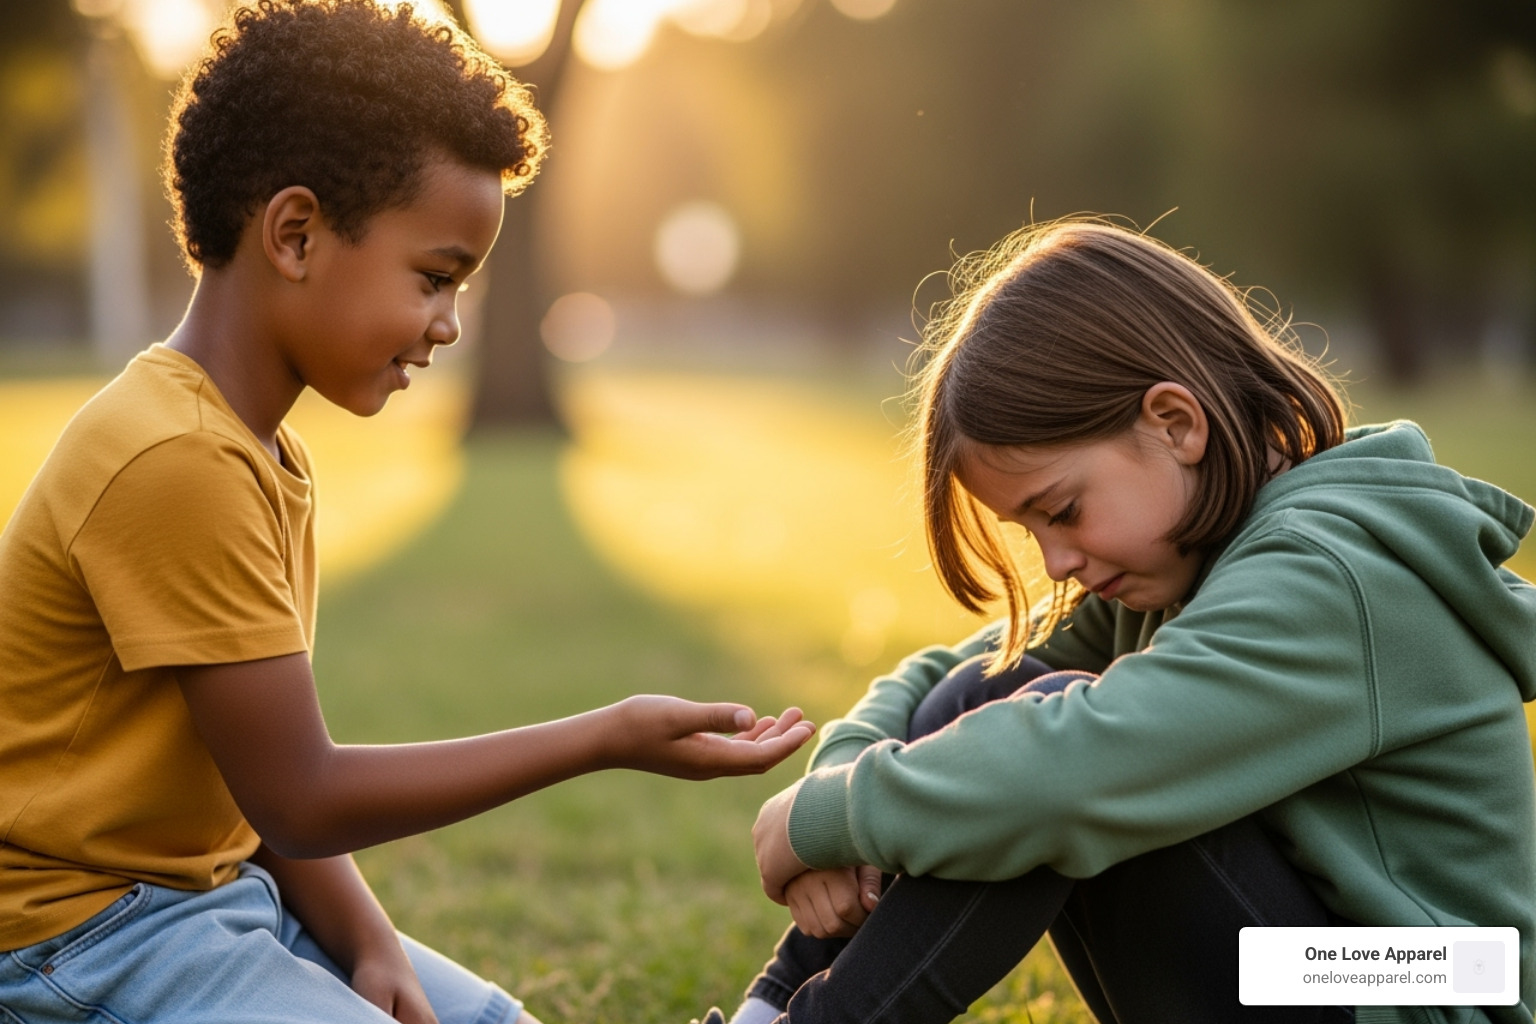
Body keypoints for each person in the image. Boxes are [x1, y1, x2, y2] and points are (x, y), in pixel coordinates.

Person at [0, 3, 814, 1023]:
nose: (448, 325)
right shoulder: (174, 458)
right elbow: (302, 795)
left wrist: (368, 940)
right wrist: (607, 735)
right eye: (434, 278)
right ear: (295, 234)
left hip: (211, 896)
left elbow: (254, 785)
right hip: (73, 935)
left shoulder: (257, 451)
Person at [705, 219, 1536, 1024]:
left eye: (1063, 510)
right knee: (988, 701)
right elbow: (960, 676)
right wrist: (835, 785)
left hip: (1430, 982)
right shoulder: (1195, 553)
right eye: (1031, 531)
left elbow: (1064, 778)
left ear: (1175, 424)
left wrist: (829, 818)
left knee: (1055, 778)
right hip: (1330, 971)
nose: (1056, 562)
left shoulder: (1332, 574)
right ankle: (766, 1009)